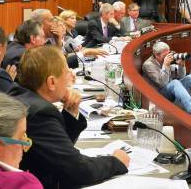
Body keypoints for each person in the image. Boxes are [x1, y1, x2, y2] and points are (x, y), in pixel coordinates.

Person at [9, 46, 129, 188]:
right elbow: (78, 171)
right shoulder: (40, 113)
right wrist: (115, 161)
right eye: (67, 72)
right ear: (51, 82)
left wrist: (71, 113)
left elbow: (58, 152)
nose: (71, 76)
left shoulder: (19, 94)